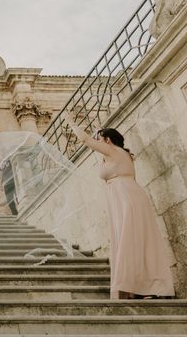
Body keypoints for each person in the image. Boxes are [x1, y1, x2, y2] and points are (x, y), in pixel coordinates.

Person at [63, 113, 174, 300]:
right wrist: (99, 129)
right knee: (134, 241)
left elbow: (85, 139)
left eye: (101, 138)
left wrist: (71, 122)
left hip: (125, 197)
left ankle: (141, 287)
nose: (98, 141)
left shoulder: (113, 151)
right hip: (127, 195)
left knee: (129, 241)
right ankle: (140, 287)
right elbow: (99, 140)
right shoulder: (121, 153)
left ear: (108, 140)